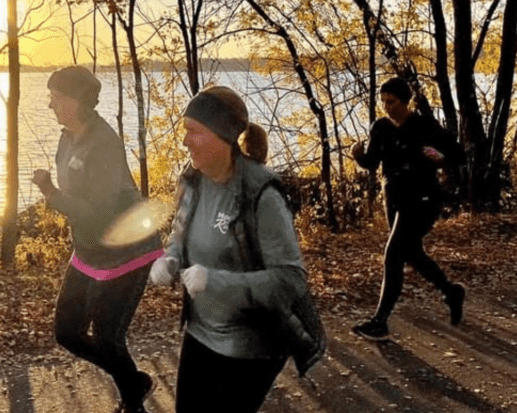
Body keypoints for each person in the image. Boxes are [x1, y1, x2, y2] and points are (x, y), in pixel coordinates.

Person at [149, 86, 324, 413]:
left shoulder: (261, 193)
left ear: (223, 136)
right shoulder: (191, 179)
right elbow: (181, 233)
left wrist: (215, 281)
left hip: (254, 343)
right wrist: (171, 258)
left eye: (194, 131)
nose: (185, 140)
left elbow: (289, 281)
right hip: (201, 331)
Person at [32, 66, 163, 413]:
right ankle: (135, 382)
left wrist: (51, 193)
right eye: (51, 97)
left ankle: (133, 402)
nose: (51, 105)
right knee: (67, 332)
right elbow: (81, 208)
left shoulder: (104, 144)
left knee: (107, 337)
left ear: (80, 101)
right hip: (90, 248)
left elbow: (97, 212)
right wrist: (57, 196)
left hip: (129, 249)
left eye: (58, 98)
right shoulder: (68, 136)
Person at [350, 77, 466, 341]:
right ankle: (450, 291)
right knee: (411, 254)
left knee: (393, 254)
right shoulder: (380, 127)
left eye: (391, 102)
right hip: (394, 199)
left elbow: (454, 156)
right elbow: (371, 162)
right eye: (383, 102)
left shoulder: (424, 125)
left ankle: (380, 322)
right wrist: (358, 155)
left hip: (424, 198)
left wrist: (432, 154)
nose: (386, 107)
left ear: (406, 101)